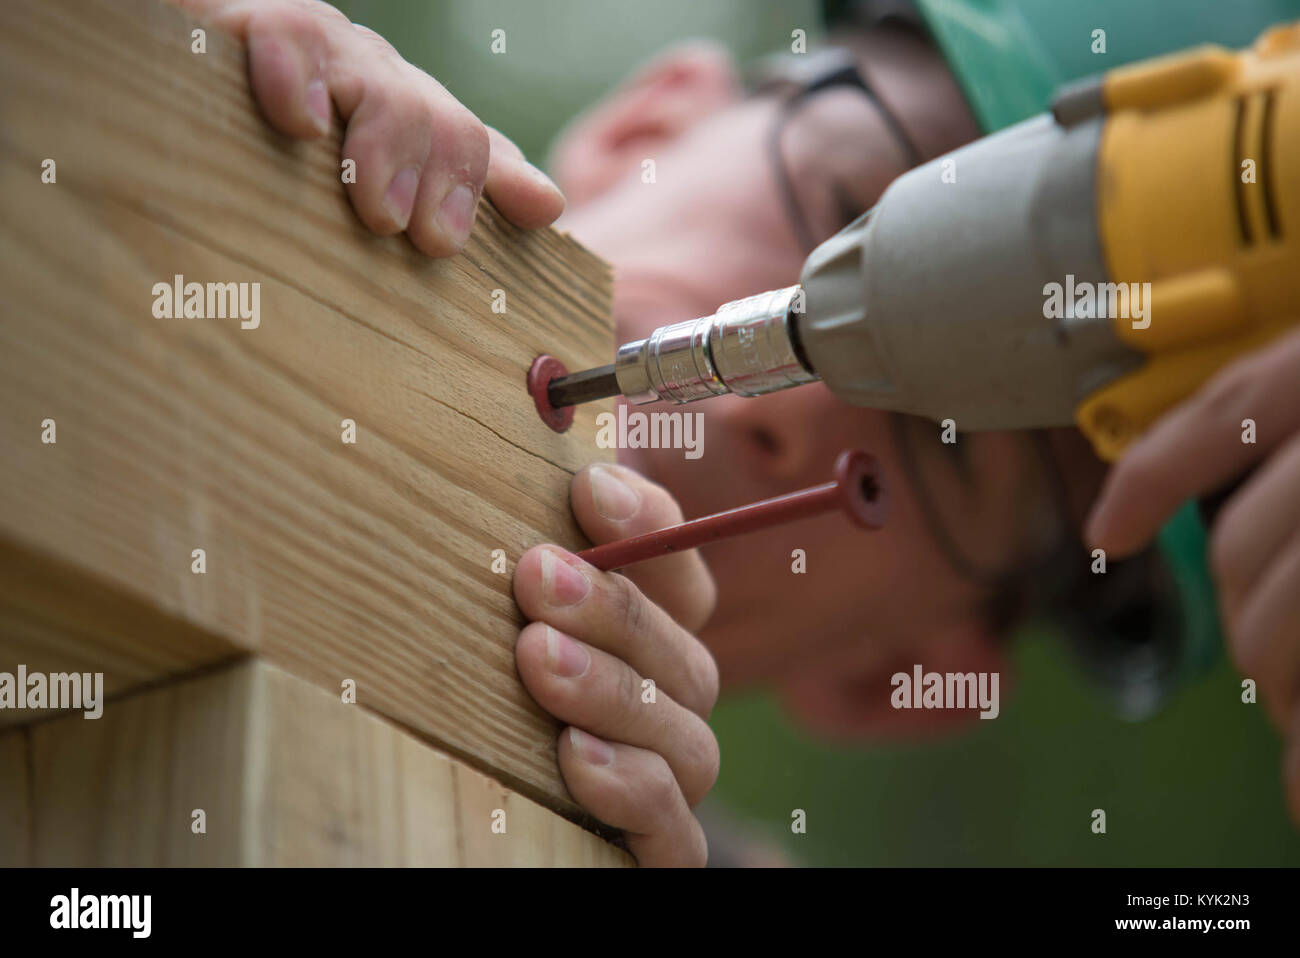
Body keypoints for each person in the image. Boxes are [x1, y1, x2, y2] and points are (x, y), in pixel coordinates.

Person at [172, 0, 1300, 865]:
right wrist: (160, 89)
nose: (783, 406)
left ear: (900, 678)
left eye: (949, 442)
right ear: (649, 122)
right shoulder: (245, 124)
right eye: (850, 213)